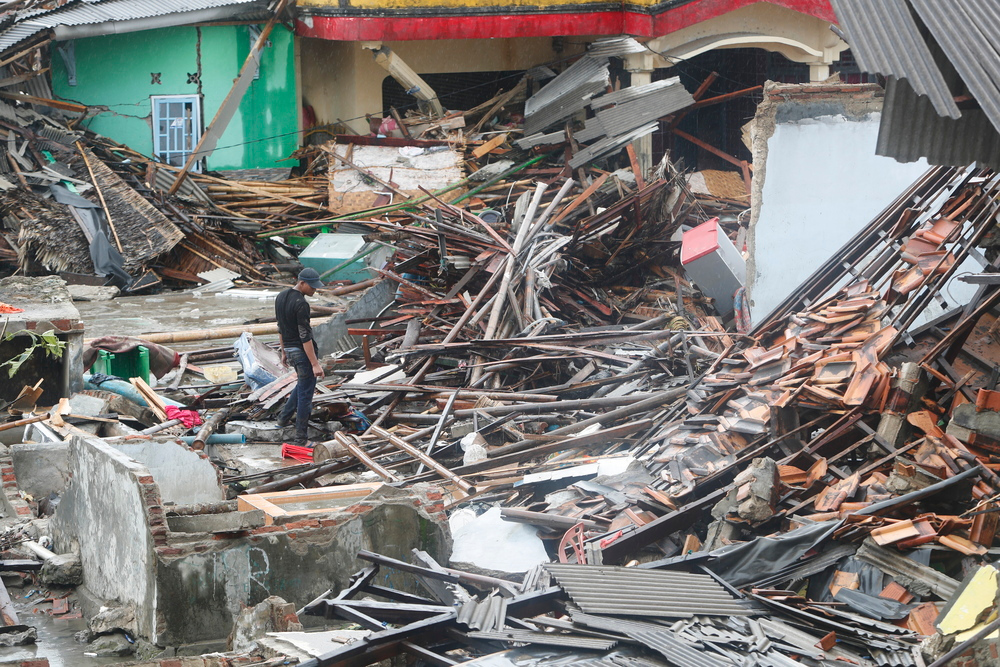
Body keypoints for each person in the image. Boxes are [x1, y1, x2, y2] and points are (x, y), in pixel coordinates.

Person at [275, 267, 325, 446]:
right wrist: (315, 363)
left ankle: (283, 418)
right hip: (301, 352)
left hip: (289, 349)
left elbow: (280, 327)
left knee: (303, 384)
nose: (314, 290)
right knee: (306, 394)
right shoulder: (301, 304)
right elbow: (305, 336)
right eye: (311, 286)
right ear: (301, 282)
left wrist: (283, 351)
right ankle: (301, 438)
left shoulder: (281, 297)